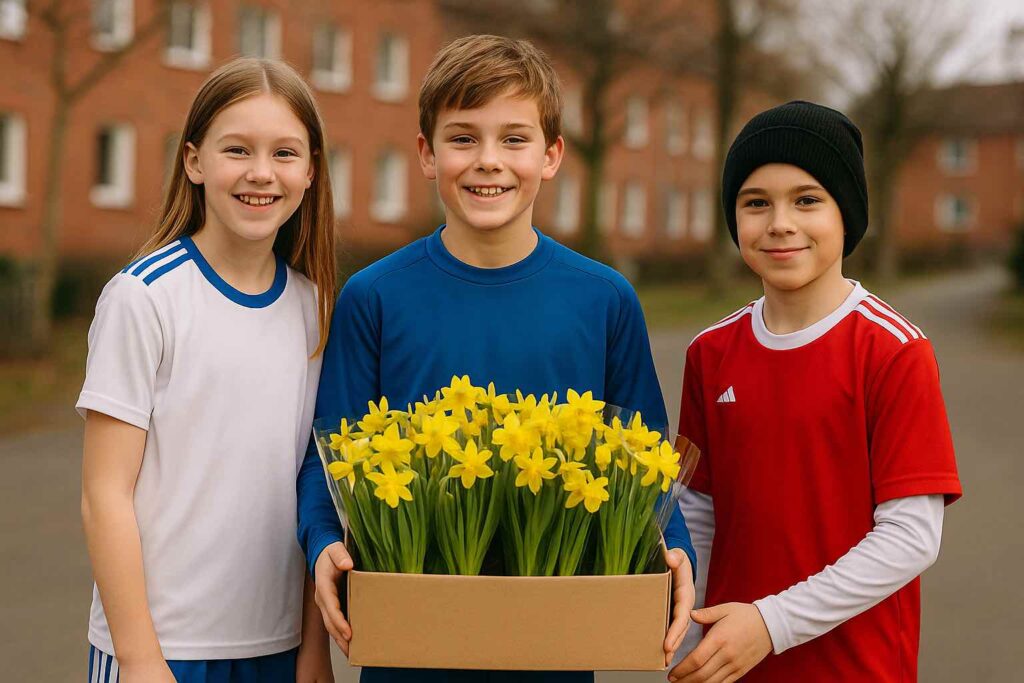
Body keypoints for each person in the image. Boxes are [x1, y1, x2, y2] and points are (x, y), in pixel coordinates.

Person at [296, 35, 697, 682]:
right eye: (463, 138)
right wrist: (321, 544)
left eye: (514, 139)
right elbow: (327, 462)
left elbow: (644, 465)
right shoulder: (373, 298)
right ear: (426, 154)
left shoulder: (604, 300)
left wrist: (673, 548)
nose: (488, 161)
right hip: (410, 654)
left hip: (554, 654)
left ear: (552, 155)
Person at [670, 101, 962, 683]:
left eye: (807, 200)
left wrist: (771, 623)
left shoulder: (894, 350)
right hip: (731, 663)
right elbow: (696, 512)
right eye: (756, 202)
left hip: (856, 667)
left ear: (846, 213)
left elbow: (911, 538)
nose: (780, 222)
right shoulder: (708, 352)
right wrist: (687, 648)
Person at [78, 58, 336, 683]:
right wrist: (140, 659)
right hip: (162, 648)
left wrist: (311, 650)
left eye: (284, 153)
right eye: (237, 150)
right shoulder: (143, 299)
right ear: (194, 162)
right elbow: (103, 495)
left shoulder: (315, 309)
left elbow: (313, 482)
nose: (260, 173)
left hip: (274, 647)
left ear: (308, 172)